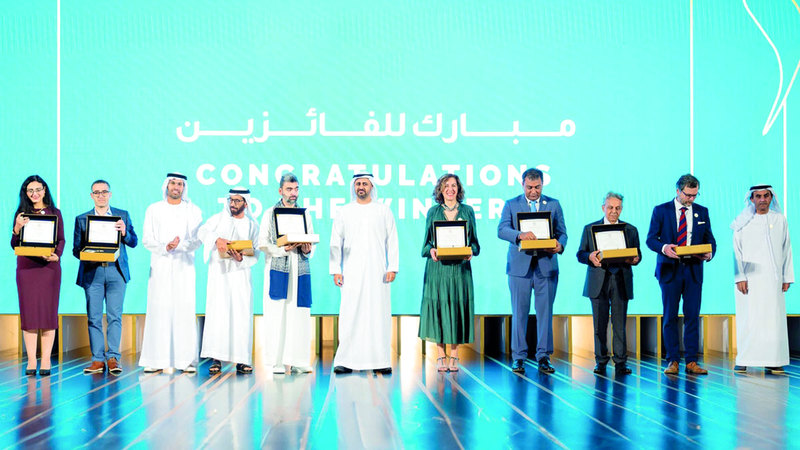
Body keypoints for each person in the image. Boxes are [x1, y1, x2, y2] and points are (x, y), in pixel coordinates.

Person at [497, 168, 567, 375]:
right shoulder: (511, 204)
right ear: (522, 185)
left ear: (542, 185)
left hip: (546, 265)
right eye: (529, 187)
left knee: (545, 314)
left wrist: (559, 246)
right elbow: (501, 229)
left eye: (537, 187)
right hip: (520, 268)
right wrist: (520, 234)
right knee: (519, 313)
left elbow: (563, 233)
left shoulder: (553, 204)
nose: (533, 191)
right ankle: (519, 358)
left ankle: (544, 357)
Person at [646, 174, 716, 375]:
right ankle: (673, 360)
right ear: (678, 191)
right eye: (688, 195)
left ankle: (692, 361)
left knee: (692, 316)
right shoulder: (661, 210)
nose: (691, 199)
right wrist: (664, 247)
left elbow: (711, 240)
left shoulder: (702, 212)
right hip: (670, 270)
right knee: (670, 316)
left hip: (693, 270)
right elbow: (651, 239)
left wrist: (709, 253)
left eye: (695, 195)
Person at [329, 173, 399, 374]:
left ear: (371, 187)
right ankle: (346, 360)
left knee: (378, 315)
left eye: (365, 184)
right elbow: (336, 242)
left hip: (378, 272)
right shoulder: (344, 211)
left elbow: (392, 240)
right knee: (350, 314)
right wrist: (336, 269)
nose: (361, 187)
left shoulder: (383, 211)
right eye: (358, 183)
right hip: (351, 272)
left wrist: (392, 267)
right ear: (354, 186)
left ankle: (381, 360)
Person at [139, 173, 203, 373]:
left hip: (184, 267)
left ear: (184, 187)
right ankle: (155, 360)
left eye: (180, 184)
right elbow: (147, 239)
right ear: (167, 185)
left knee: (183, 310)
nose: (176, 187)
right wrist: (165, 247)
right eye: (173, 183)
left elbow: (198, 239)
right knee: (159, 310)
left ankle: (185, 361)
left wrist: (180, 245)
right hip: (160, 266)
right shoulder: (154, 209)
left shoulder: (193, 211)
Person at [72, 179, 138, 375]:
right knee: (93, 317)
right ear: (91, 196)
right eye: (96, 192)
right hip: (93, 272)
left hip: (116, 271)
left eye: (104, 192)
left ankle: (113, 358)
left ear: (110, 194)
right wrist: (90, 251)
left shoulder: (122, 215)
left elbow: (133, 241)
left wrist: (124, 232)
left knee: (114, 316)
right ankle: (97, 360)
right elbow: (76, 250)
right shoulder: (82, 219)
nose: (100, 195)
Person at [418, 174, 480, 372]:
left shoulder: (468, 211)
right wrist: (432, 251)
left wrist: (471, 250)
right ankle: (440, 355)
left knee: (457, 308)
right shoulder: (433, 212)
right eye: (446, 186)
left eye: (454, 185)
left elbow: (476, 245)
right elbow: (425, 245)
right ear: (440, 189)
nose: (450, 189)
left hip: (460, 269)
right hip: (438, 270)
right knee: (438, 308)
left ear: (459, 189)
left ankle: (454, 354)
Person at [731, 185, 794, 373]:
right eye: (758, 196)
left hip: (773, 281)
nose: (762, 200)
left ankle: (774, 361)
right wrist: (739, 276)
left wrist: (786, 276)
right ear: (751, 199)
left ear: (771, 197)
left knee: (773, 321)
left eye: (766, 196)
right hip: (749, 281)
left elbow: (786, 249)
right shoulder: (742, 222)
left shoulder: (780, 220)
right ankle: (744, 358)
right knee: (749, 319)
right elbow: (736, 251)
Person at [576, 192, 640, 375]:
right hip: (598, 280)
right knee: (600, 324)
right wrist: (589, 256)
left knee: (619, 324)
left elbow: (638, 254)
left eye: (618, 208)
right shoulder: (590, 228)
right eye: (610, 207)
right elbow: (580, 254)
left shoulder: (630, 229)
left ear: (622, 209)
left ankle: (620, 362)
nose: (614, 211)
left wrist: (635, 259)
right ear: (603, 207)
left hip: (621, 279)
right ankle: (601, 361)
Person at [198, 187, 260, 375]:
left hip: (241, 277)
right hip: (219, 276)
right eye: (231, 201)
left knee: (241, 316)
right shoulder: (217, 219)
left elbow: (256, 252)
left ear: (246, 204)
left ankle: (242, 360)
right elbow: (202, 232)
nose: (233, 204)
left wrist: (242, 259)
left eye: (237, 201)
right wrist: (216, 239)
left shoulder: (252, 226)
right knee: (218, 315)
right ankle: (216, 358)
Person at [258, 173, 315, 374]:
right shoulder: (269, 213)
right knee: (278, 314)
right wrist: (282, 250)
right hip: (278, 267)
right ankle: (278, 361)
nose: (293, 193)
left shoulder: (304, 214)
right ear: (280, 190)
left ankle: (298, 360)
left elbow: (310, 239)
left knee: (299, 313)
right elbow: (262, 242)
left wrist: (307, 249)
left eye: (296, 189)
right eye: (289, 189)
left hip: (299, 269)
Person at [11, 175, 65, 377]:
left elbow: (61, 240)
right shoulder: (21, 214)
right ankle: (32, 361)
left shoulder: (55, 213)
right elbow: (14, 243)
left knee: (48, 315)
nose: (35, 194)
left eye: (38, 189)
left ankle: (46, 361)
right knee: (30, 316)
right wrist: (17, 227)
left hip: (48, 269)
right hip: (26, 269)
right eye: (30, 190)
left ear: (45, 190)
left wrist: (56, 256)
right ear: (25, 193)